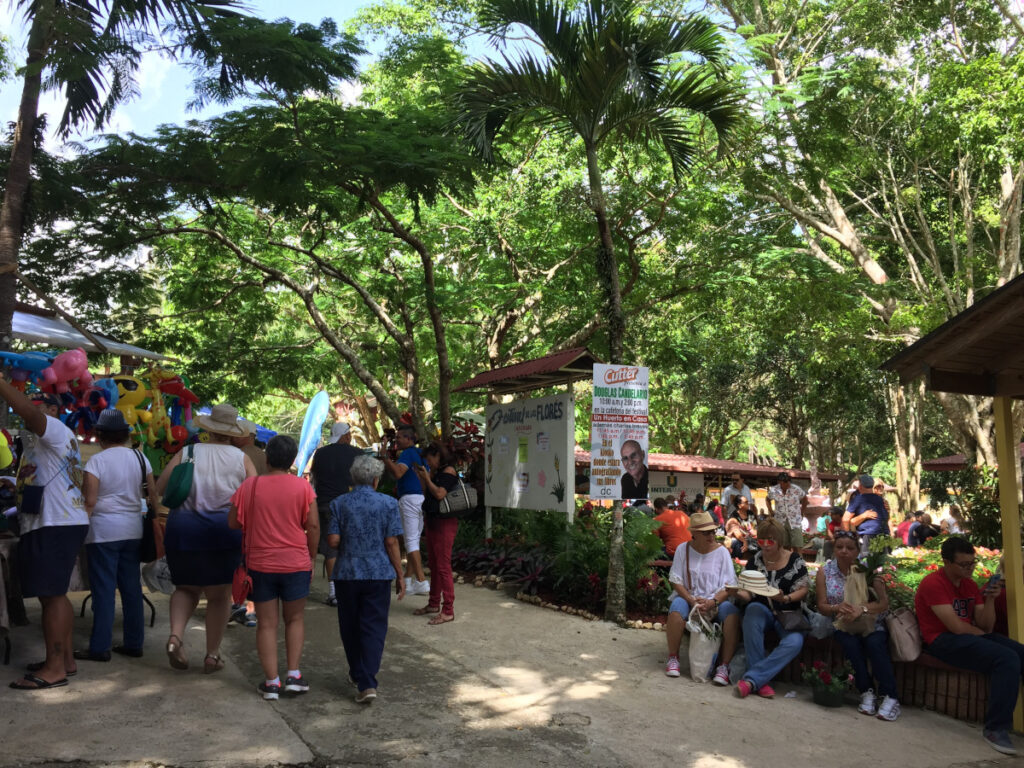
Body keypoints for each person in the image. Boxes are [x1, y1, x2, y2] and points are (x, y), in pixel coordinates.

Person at [156, 403, 257, 673]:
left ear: (209, 429)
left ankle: (176, 637)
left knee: (185, 588)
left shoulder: (187, 451)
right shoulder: (240, 459)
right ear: (233, 432)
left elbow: (161, 487)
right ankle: (212, 654)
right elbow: (254, 497)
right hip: (224, 532)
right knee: (220, 595)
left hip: (183, 530)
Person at [3, 383, 88, 690]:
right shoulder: (42, 442)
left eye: (39, 405)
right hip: (54, 521)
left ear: (54, 411)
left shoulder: (52, 428)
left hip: (55, 522)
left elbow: (25, 411)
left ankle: (55, 669)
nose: (32, 409)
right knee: (54, 594)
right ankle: (64, 660)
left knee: (52, 597)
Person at [914, 536, 1024, 755]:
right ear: (946, 562)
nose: (969, 568)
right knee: (1006, 658)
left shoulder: (970, 584)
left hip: (969, 636)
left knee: (1020, 652)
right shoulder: (933, 583)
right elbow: (955, 627)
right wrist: (982, 634)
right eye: (964, 564)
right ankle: (996, 728)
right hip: (941, 641)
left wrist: (990, 599)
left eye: (972, 563)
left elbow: (986, 625)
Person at [228, 435, 318, 701]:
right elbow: (312, 526)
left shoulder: (250, 486)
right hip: (295, 563)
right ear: (292, 461)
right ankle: (293, 675)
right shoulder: (303, 488)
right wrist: (311, 556)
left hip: (260, 564)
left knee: (266, 624)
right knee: (295, 619)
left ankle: (271, 682)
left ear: (266, 459)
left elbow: (233, 523)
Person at [77, 409, 159, 662]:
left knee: (103, 591)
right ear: (125, 434)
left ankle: (100, 647)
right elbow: (152, 496)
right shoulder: (139, 457)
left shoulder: (96, 462)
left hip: (103, 531)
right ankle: (134, 643)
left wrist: (78, 529)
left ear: (100, 435)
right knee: (132, 588)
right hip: (132, 529)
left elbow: (89, 501)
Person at [328, 454, 406, 702]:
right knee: (373, 627)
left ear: (353, 478)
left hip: (347, 573)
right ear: (375, 480)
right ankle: (367, 682)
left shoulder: (339, 503)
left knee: (350, 626)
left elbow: (332, 541)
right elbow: (391, 542)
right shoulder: (389, 503)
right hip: (378, 573)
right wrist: (400, 574)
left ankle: (357, 673)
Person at [815, 531, 900, 720]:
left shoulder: (869, 570)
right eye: (839, 547)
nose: (844, 551)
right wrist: (838, 607)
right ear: (833, 549)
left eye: (850, 548)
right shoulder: (825, 572)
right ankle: (866, 691)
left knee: (874, 644)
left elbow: (883, 603)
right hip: (842, 624)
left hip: (871, 623)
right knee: (850, 645)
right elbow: (822, 606)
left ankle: (890, 695)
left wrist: (861, 609)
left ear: (858, 550)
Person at [727, 518, 809, 699]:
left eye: (770, 540)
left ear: (780, 541)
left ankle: (752, 680)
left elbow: (803, 589)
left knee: (795, 642)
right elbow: (747, 594)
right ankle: (759, 682)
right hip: (762, 610)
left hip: (788, 613)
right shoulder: (755, 560)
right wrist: (736, 593)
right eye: (761, 540)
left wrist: (785, 597)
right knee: (752, 611)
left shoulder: (795, 560)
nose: (765, 545)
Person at [663, 512, 742, 685]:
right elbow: (676, 581)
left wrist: (713, 602)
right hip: (689, 598)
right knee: (677, 607)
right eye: (706, 533)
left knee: (732, 614)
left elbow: (729, 585)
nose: (711, 535)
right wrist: (691, 600)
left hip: (716, 601)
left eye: (713, 531)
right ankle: (673, 657)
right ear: (695, 534)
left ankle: (723, 666)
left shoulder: (722, 553)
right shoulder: (683, 550)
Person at [311, 422, 363, 606]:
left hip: (326, 504)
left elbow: (314, 478)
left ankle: (334, 592)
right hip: (352, 505)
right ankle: (353, 588)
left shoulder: (321, 453)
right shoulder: (357, 454)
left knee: (330, 548)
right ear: (347, 436)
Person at [411, 442, 460, 625]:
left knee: (443, 566)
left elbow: (439, 494)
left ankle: (448, 610)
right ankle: (433, 603)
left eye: (430, 458)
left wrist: (428, 479)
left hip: (444, 523)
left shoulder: (448, 472)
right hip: (432, 521)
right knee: (433, 564)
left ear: (438, 455)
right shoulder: (436, 472)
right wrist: (424, 479)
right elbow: (428, 493)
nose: (428, 462)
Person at [380, 426, 430, 595]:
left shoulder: (408, 453)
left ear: (409, 439)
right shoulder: (420, 453)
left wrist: (384, 456)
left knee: (410, 541)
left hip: (409, 498)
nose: (397, 440)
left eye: (400, 437)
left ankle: (422, 581)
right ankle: (408, 582)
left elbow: (398, 473)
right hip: (422, 499)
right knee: (413, 539)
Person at [843, 474, 888, 555]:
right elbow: (885, 517)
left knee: (866, 563)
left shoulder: (858, 499)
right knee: (882, 564)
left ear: (860, 486)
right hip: (883, 534)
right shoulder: (880, 500)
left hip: (868, 535)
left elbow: (845, 519)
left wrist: (847, 538)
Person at [765, 472, 807, 549]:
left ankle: (798, 560)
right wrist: (771, 511)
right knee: (784, 546)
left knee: (797, 546)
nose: (786, 484)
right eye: (783, 482)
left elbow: (805, 499)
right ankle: (786, 560)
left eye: (787, 482)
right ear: (779, 482)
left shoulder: (796, 489)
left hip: (795, 521)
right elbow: (767, 499)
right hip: (780, 521)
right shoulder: (774, 490)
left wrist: (802, 512)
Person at [724, 495, 757, 559]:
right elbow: (737, 533)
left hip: (750, 538)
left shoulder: (750, 513)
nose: (748, 504)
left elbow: (754, 528)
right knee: (737, 544)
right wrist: (744, 541)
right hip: (740, 539)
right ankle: (737, 563)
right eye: (746, 502)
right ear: (739, 505)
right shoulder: (734, 516)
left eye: (748, 502)